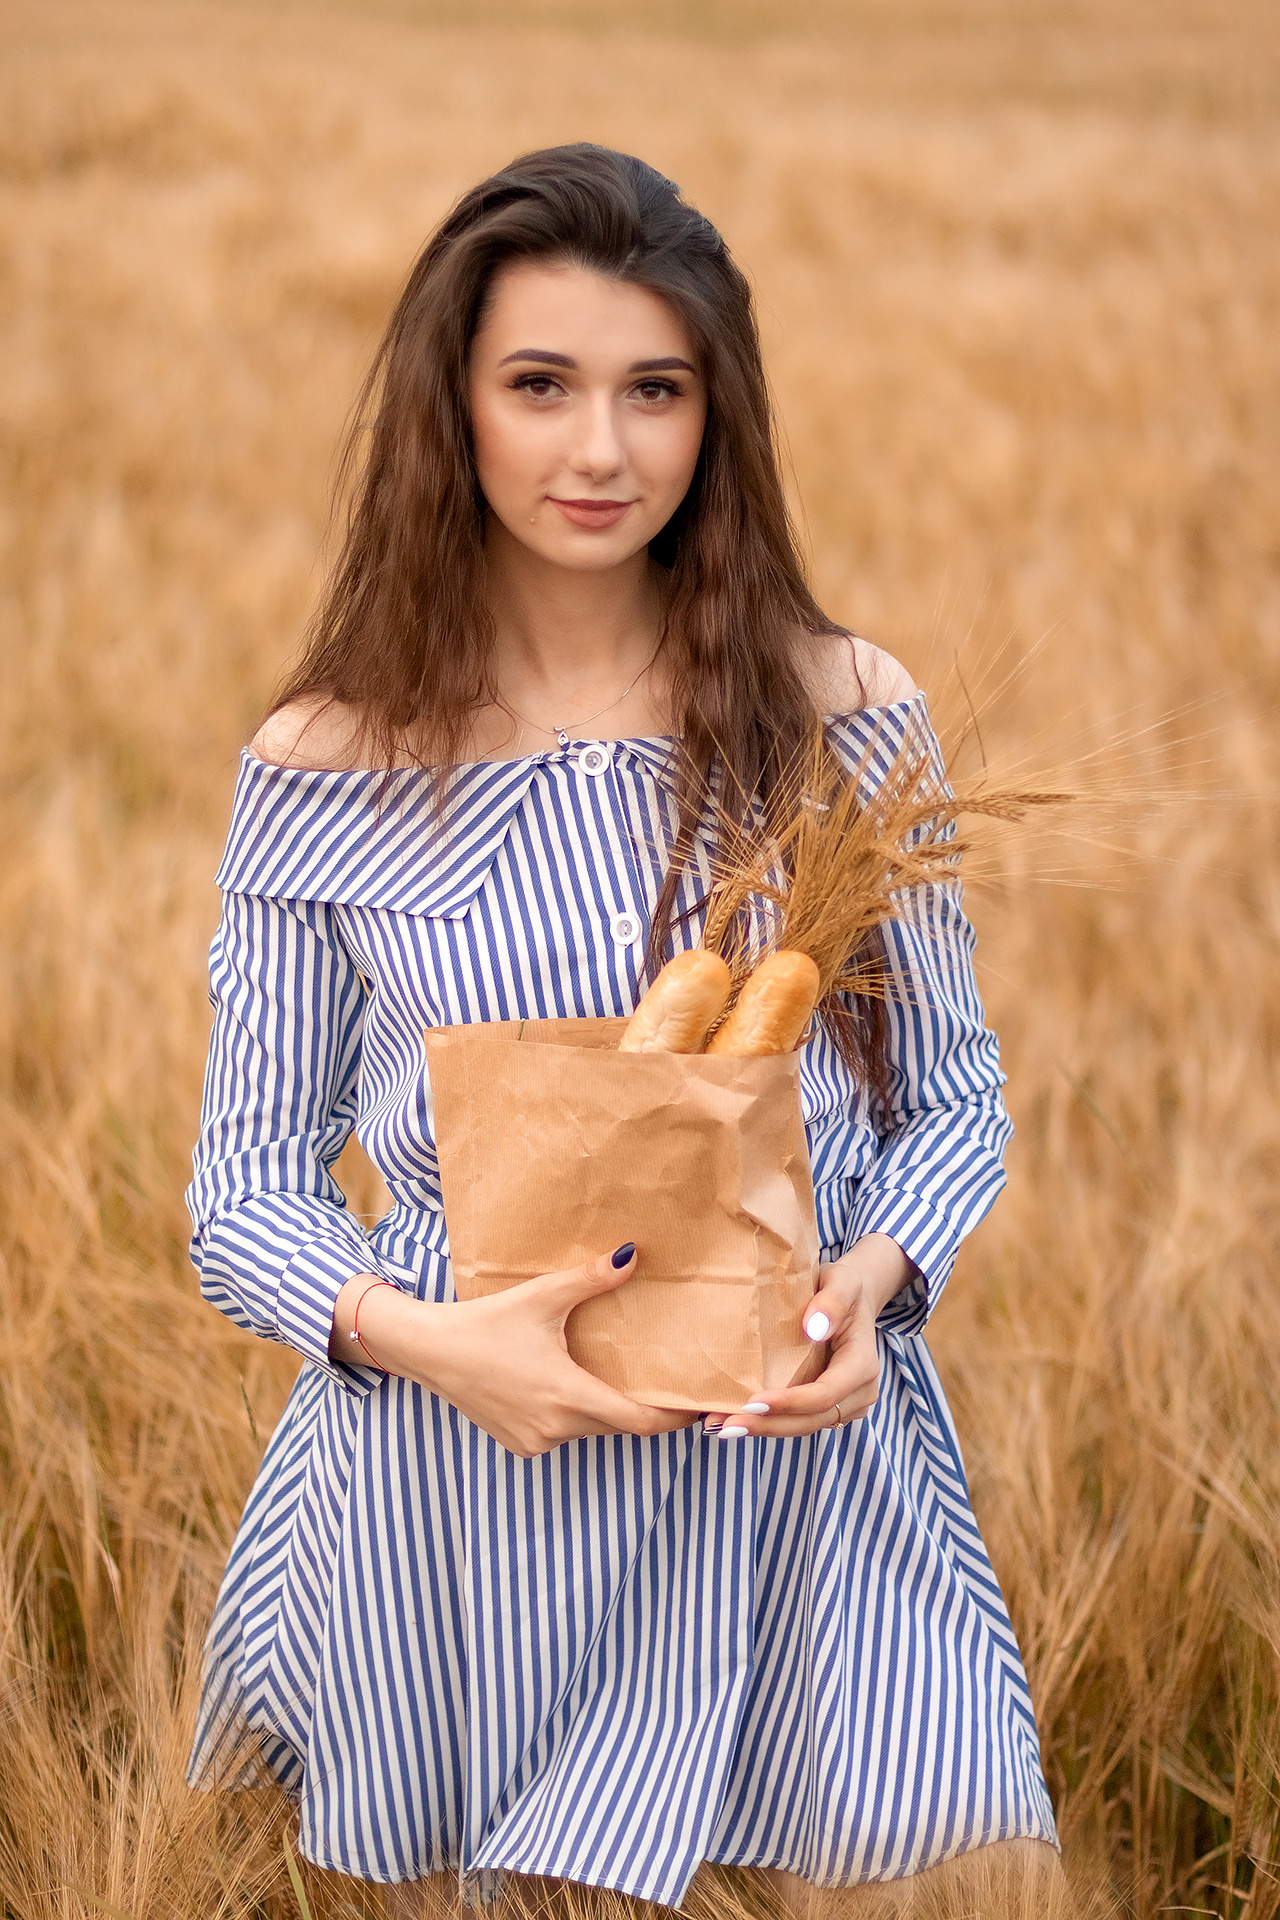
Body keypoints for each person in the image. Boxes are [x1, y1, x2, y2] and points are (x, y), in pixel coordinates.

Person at [186, 145, 1060, 1913]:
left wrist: (873, 1291)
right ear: (452, 407)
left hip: (791, 1475)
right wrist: (437, 1350)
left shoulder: (846, 713)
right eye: (541, 385)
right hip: (457, 1497)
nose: (602, 450)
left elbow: (957, 1099)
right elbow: (244, 1185)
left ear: (717, 413)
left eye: (656, 390)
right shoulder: (326, 761)